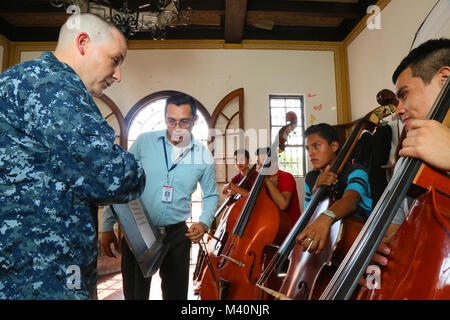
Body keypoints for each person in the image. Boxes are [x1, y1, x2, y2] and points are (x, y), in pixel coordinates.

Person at [0, 13, 146, 299]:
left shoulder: (18, 78)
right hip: (43, 273)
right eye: (115, 60)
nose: (118, 75)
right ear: (83, 43)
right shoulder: (54, 88)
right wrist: (137, 168)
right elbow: (114, 176)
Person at [101, 93, 219, 300]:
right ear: (165, 117)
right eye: (171, 120)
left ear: (195, 121)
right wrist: (107, 225)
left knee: (176, 295)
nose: (177, 127)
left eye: (184, 121)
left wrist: (204, 223)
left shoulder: (203, 156)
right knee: (135, 294)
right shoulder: (144, 142)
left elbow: (210, 195)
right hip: (138, 232)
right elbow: (121, 182)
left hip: (177, 236)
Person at [366, 38, 450, 269]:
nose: (399, 110)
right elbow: (394, 229)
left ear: (444, 80)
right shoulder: (409, 158)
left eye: (404, 95)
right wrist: (376, 252)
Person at [296, 123, 372, 254]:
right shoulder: (311, 177)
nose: (311, 152)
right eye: (308, 148)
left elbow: (350, 201)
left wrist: (326, 217)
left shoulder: (357, 171)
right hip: (326, 245)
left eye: (316, 146)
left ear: (334, 146)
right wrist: (315, 190)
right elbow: (307, 216)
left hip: (356, 242)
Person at [255, 147, 301, 226]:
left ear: (274, 162)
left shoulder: (286, 176)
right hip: (270, 225)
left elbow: (283, 205)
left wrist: (266, 180)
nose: (260, 167)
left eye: (263, 163)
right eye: (258, 163)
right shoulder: (260, 181)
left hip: (289, 228)